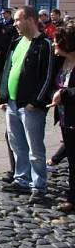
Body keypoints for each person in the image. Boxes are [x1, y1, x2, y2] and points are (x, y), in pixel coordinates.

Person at [0, 6, 54, 204]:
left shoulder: (44, 44)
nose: (14, 23)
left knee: (35, 148)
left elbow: (47, 75)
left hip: (31, 106)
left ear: (30, 20)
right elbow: (8, 69)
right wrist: (3, 97)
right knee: (17, 145)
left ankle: (39, 185)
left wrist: (36, 101)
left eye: (17, 20)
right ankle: (22, 179)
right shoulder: (16, 42)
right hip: (12, 103)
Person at [48, 22, 75, 212]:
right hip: (66, 118)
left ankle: (72, 199)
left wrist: (64, 94)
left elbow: (68, 90)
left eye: (56, 41)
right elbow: (54, 83)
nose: (53, 44)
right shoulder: (61, 61)